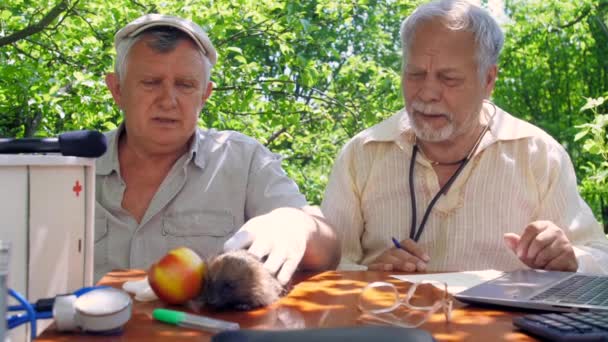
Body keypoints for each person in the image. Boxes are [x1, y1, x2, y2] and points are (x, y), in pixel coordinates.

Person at [321, 0, 608, 274]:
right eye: (415, 74)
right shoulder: (362, 154)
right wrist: (369, 274)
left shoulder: (538, 155)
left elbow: (599, 257)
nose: (428, 92)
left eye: (449, 79)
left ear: (488, 80)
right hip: (392, 322)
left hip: (505, 325)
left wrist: (571, 258)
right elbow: (325, 267)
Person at [95, 14, 339, 284]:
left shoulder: (242, 160)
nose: (168, 100)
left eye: (185, 85)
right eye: (151, 82)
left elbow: (329, 250)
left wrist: (292, 225)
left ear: (205, 95)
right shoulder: (69, 166)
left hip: (207, 327)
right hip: (74, 326)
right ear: (117, 89)